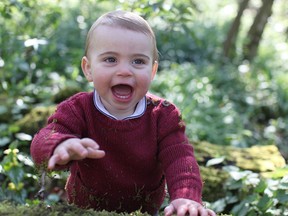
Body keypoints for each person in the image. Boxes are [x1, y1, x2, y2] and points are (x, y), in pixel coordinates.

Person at [30, 10, 216, 216]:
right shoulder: (78, 109)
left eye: (138, 61)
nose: (125, 71)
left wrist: (186, 197)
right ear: (88, 68)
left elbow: (180, 159)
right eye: (110, 59)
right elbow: (43, 140)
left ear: (152, 71)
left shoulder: (163, 115)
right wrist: (60, 144)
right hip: (84, 210)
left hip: (143, 211)